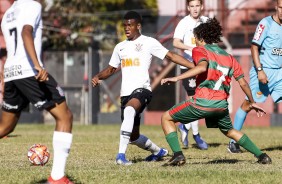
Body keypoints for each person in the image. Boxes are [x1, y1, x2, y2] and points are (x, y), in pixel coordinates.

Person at [161, 18, 272, 166]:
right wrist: (252, 102)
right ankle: (262, 156)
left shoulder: (200, 50)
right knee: (230, 131)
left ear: (201, 38)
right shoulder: (229, 57)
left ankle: (178, 155)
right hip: (221, 105)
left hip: (203, 101)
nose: (195, 42)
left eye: (195, 39)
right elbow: (243, 83)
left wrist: (176, 78)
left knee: (166, 118)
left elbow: (201, 67)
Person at [92, 11, 195, 166]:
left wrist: (194, 66)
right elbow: (111, 69)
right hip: (125, 94)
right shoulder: (120, 47)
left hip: (143, 90)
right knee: (133, 137)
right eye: (125, 25)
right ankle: (158, 152)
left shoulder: (149, 42)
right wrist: (98, 76)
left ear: (138, 26)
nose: (127, 28)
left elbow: (171, 56)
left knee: (129, 110)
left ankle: (120, 156)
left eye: (130, 25)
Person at [1, 0, 74, 183]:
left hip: (11, 73)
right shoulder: (33, 6)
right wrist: (37, 65)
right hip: (28, 71)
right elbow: (26, 32)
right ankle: (57, 178)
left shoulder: (9, 13)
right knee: (65, 116)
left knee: (5, 127)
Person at [228, 0, 282, 153]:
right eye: (281, 7)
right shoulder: (266, 24)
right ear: (276, 7)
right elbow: (254, 47)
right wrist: (260, 70)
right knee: (248, 104)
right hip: (263, 71)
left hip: (280, 73)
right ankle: (233, 141)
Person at [173, 0, 208, 150]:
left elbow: (213, 41)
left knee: (201, 99)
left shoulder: (207, 21)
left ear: (202, 7)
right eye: (192, 6)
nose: (194, 9)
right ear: (188, 8)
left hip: (203, 66)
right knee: (195, 99)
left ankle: (185, 126)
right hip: (188, 66)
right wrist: (192, 48)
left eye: (197, 6)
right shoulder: (183, 23)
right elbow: (175, 43)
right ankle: (196, 134)